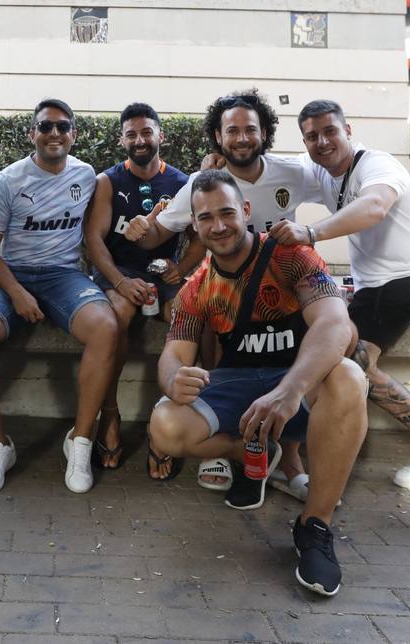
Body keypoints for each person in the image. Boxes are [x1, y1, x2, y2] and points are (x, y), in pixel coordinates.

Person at [273, 99, 410, 557]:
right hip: (374, 287)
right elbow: (273, 169)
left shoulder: (378, 164)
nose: (321, 142)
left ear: (348, 129)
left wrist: (311, 234)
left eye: (329, 131)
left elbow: (373, 207)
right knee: (352, 366)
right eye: (311, 136)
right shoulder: (322, 173)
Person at [146, 170, 366, 597]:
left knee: (349, 376)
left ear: (245, 211)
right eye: (206, 217)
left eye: (227, 212)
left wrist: (290, 391)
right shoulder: (198, 288)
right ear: (194, 224)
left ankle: (314, 526)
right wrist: (174, 381)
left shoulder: (290, 255)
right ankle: (258, 451)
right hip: (238, 385)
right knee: (164, 424)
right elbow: (174, 352)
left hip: (298, 385)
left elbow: (336, 325)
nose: (218, 225)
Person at [123, 89, 310, 492]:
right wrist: (139, 230)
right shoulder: (202, 183)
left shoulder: (294, 173)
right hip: (225, 293)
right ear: (218, 137)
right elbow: (161, 230)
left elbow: (338, 177)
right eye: (232, 131)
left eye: (250, 129)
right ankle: (227, 445)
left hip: (285, 289)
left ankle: (290, 456)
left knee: (326, 349)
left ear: (264, 132)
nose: (241, 138)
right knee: (203, 318)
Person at [0, 98, 118, 495]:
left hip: (62, 276)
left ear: (73, 135)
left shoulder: (86, 175)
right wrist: (16, 292)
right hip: (12, 276)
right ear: (33, 134)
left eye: (62, 127)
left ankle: (79, 441)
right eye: (45, 127)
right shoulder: (8, 181)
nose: (54, 134)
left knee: (106, 328)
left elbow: (96, 235)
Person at [83, 102, 188, 476]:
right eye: (131, 134)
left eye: (146, 132)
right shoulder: (107, 181)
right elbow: (94, 241)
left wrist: (181, 269)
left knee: (185, 319)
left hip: (162, 275)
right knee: (118, 317)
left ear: (161, 135)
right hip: (119, 272)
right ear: (121, 140)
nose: (140, 139)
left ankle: (166, 425)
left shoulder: (181, 182)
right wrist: (120, 282)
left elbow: (200, 238)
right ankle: (109, 416)